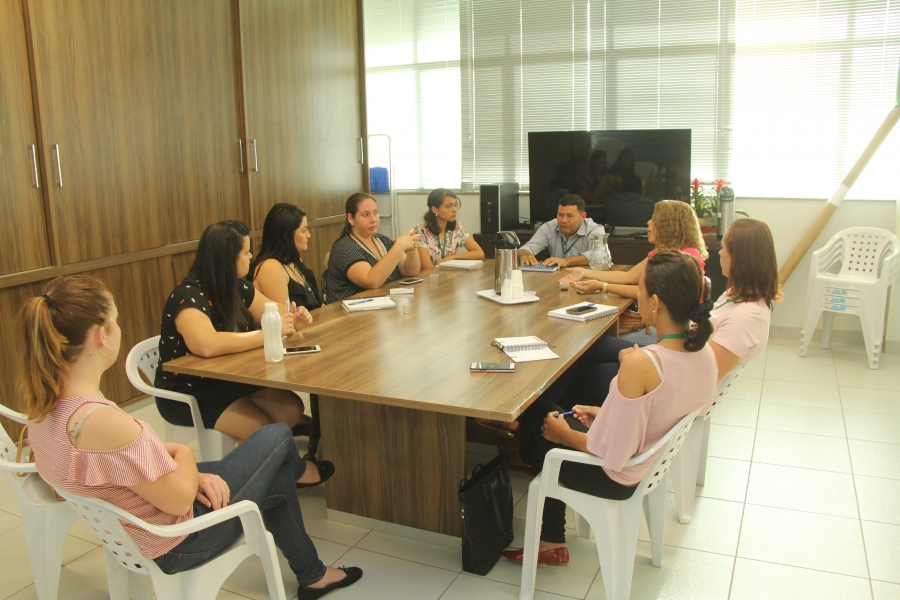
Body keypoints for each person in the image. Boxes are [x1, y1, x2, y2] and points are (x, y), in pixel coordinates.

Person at [22, 275, 362, 599]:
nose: (118, 329)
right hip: (178, 541)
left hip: (135, 529)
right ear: (101, 336)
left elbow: (108, 471)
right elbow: (179, 501)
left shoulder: (44, 410)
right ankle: (304, 476)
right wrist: (185, 459)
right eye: (116, 321)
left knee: (276, 476)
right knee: (278, 435)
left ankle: (313, 574)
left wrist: (189, 474)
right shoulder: (104, 422)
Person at [501, 251, 717, 566]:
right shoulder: (704, 353)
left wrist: (564, 436)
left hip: (614, 476)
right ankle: (549, 534)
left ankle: (550, 536)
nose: (637, 297)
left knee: (539, 412)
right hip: (648, 463)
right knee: (555, 413)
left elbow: (615, 453)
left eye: (640, 290)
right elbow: (657, 413)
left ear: (656, 302)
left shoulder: (642, 363)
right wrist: (603, 414)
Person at [155, 220, 317, 449]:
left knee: (291, 408)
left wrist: (293, 319)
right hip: (189, 390)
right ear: (228, 258)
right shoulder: (188, 295)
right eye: (246, 252)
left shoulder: (238, 287)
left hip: (228, 378)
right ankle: (270, 463)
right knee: (259, 426)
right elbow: (207, 344)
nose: (251, 257)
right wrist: (268, 332)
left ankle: (262, 457)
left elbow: (275, 312)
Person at [561, 199, 708, 300]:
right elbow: (628, 277)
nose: (649, 222)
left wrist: (602, 286)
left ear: (670, 226)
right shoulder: (663, 253)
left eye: (655, 219)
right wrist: (585, 272)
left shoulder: (683, 259)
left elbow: (646, 293)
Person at [323, 192, 421, 304]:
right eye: (365, 215)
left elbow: (411, 271)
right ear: (351, 218)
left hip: (385, 306)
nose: (373, 219)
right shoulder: (344, 248)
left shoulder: (382, 240)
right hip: (349, 311)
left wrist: (411, 248)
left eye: (375, 212)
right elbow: (372, 281)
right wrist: (400, 246)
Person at [250, 203, 323, 312]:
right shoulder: (270, 267)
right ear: (286, 235)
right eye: (304, 230)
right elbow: (285, 315)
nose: (309, 235)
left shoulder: (293, 259)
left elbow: (318, 305)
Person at [518, 194, 605, 268]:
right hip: (557, 277)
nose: (564, 220)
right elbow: (526, 248)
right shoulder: (549, 227)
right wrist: (525, 255)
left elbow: (599, 255)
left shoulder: (595, 230)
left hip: (586, 277)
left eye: (570, 216)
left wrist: (566, 261)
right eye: (560, 215)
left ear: (583, 216)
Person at [413, 189, 485, 269]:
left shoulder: (457, 228)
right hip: (431, 276)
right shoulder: (421, 231)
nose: (455, 210)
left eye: (455, 205)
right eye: (449, 206)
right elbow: (427, 268)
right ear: (435, 209)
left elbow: (480, 254)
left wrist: (452, 257)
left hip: (452, 275)